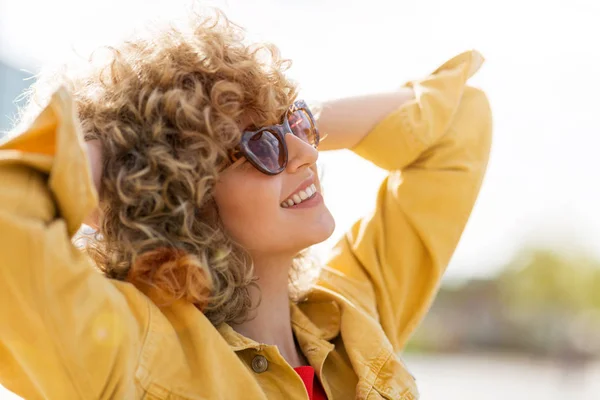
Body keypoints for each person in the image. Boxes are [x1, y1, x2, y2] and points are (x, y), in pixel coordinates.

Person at [0, 10, 492, 400]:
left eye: (295, 126)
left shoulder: (354, 321)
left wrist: (294, 118)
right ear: (179, 197)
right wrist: (112, 162)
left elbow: (460, 121)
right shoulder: (132, 351)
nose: (306, 155)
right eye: (260, 148)